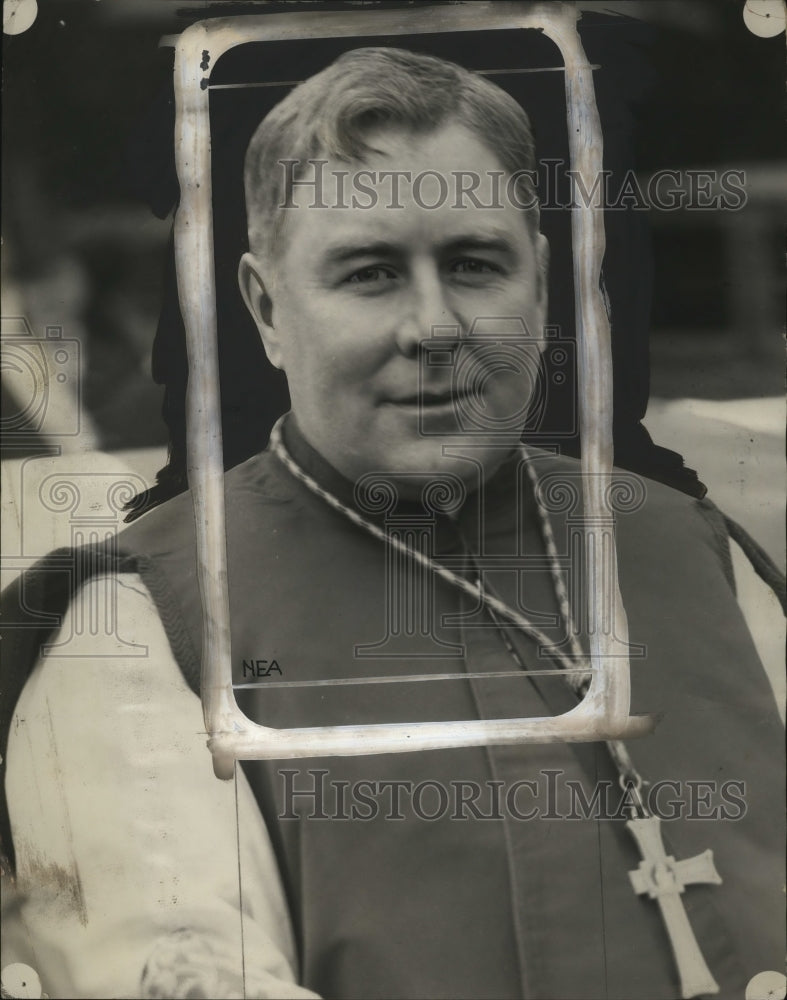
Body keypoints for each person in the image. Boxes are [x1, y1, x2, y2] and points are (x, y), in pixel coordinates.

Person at [2, 46, 784, 1000]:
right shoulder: (136, 630)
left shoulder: (698, 553)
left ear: (538, 284)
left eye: (473, 263)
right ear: (266, 310)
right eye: (370, 273)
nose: (434, 326)